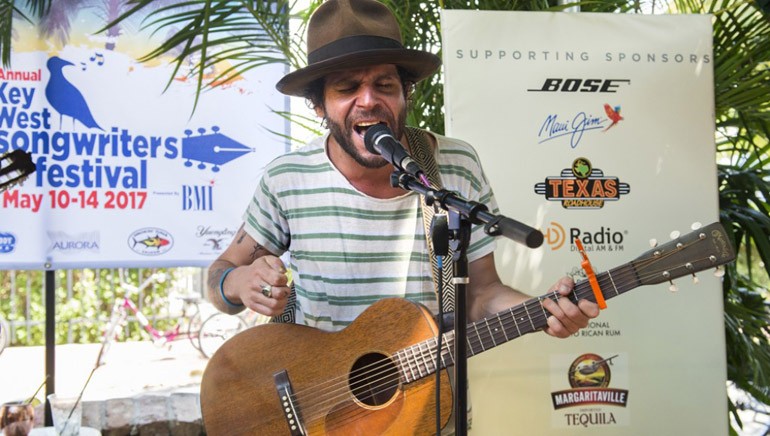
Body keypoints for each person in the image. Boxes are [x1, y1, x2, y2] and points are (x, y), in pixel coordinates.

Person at [208, 0, 599, 381]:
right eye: (346, 88)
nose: (369, 100)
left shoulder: (454, 165)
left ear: (405, 92)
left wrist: (540, 310)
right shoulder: (287, 178)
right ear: (318, 105)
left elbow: (482, 293)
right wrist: (240, 284)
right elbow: (219, 278)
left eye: (384, 84)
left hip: (424, 406)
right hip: (318, 406)